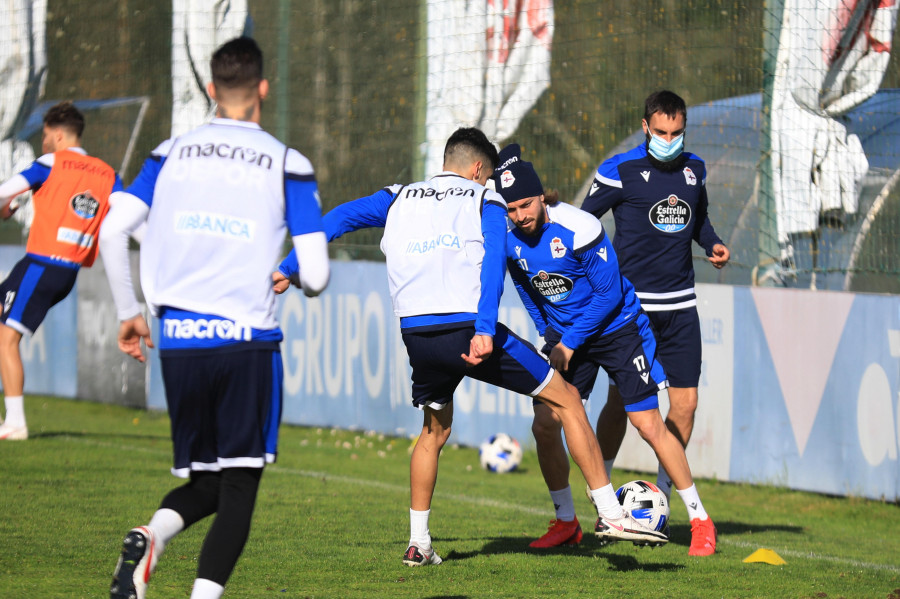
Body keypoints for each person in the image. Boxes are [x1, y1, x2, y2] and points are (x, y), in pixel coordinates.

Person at [274, 127, 667, 567]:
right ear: (480, 169)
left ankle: (418, 544)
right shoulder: (485, 199)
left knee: (433, 431)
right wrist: (484, 328)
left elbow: (338, 218)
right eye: (489, 176)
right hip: (468, 330)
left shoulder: (399, 195)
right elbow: (493, 268)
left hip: (417, 334)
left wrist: (291, 266)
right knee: (568, 399)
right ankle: (611, 515)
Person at [99, 37, 330, 599]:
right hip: (244, 339)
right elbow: (318, 275)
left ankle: (150, 537)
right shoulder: (286, 162)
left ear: (210, 90)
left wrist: (131, 313)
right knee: (241, 487)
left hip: (178, 339)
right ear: (263, 90)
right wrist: (293, 273)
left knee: (208, 480)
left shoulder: (167, 152)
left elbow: (110, 230)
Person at [495, 144, 716, 556]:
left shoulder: (579, 227)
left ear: (542, 195)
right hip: (567, 341)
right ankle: (565, 522)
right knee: (545, 424)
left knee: (647, 422)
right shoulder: (508, 241)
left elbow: (609, 294)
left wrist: (569, 342)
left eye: (525, 204)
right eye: (511, 210)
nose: (520, 216)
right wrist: (549, 334)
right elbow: (527, 290)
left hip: (617, 329)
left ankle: (701, 520)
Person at [582, 90, 728, 553]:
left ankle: (661, 499)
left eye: (677, 133)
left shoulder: (695, 170)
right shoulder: (618, 171)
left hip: (681, 307)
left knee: (685, 405)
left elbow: (697, 218)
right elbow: (583, 225)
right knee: (623, 403)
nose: (669, 140)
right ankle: (602, 497)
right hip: (633, 311)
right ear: (646, 127)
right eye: (661, 132)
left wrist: (713, 242)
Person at [0, 102, 123, 441]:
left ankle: (15, 423)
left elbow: (4, 194)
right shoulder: (107, 173)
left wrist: (6, 206)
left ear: (57, 134)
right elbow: (126, 216)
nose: (43, 143)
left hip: (42, 264)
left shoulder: (49, 163)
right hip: (65, 272)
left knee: (6, 338)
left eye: (44, 136)